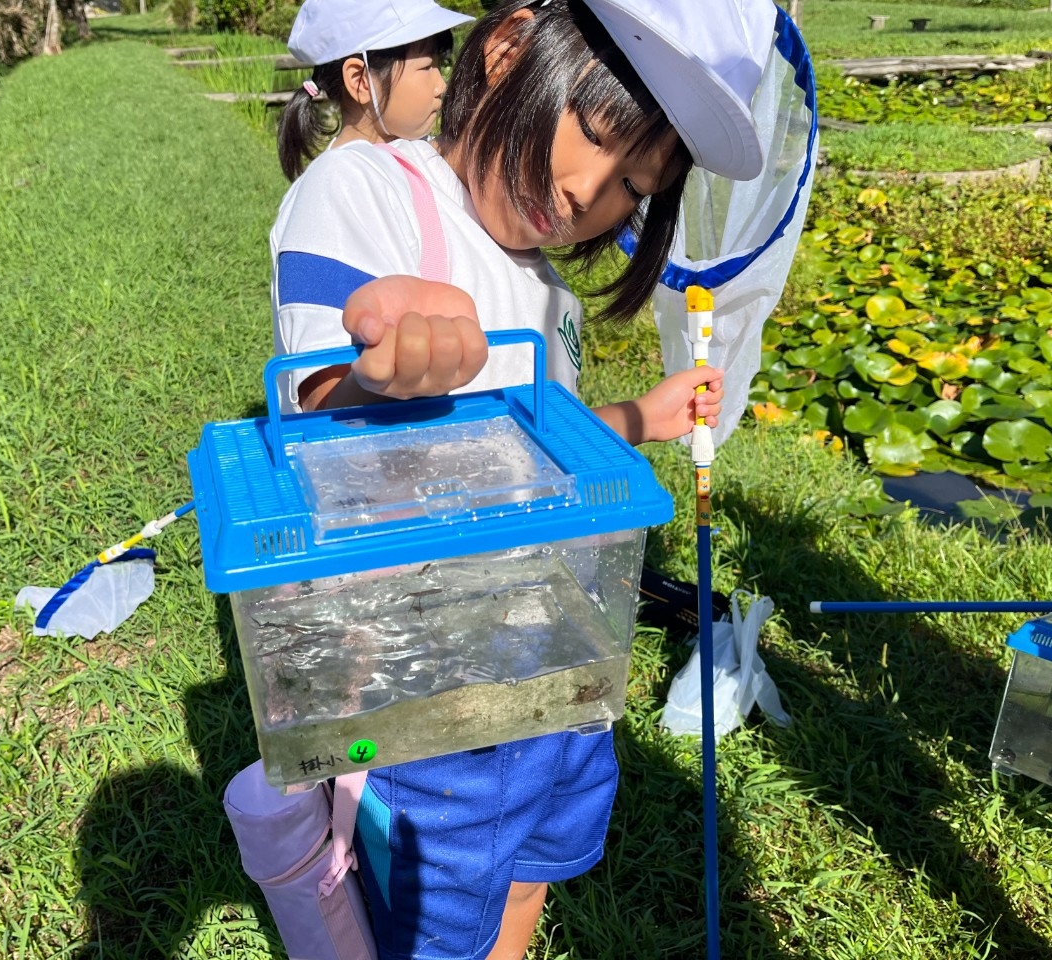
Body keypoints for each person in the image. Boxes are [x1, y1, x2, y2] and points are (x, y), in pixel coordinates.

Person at [268, 0, 777, 957]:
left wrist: (642, 419)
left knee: (530, 881)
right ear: (505, 52)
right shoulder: (367, 189)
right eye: (591, 132)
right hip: (431, 703)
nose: (591, 191)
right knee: (438, 923)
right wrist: (379, 370)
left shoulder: (547, 290)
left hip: (564, 677)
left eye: (632, 182)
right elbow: (318, 403)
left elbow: (539, 443)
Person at [278, 0, 473, 181]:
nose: (441, 85)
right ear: (360, 81)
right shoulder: (343, 187)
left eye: (439, 65)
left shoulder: (425, 153)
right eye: (426, 67)